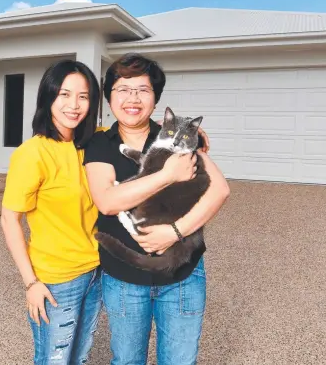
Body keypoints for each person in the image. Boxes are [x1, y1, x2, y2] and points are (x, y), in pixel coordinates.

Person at [83, 53, 230, 365]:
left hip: (183, 275)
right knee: (126, 360)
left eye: (143, 90)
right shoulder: (100, 144)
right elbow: (108, 202)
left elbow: (220, 189)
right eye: (123, 89)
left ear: (155, 98)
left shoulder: (179, 134)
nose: (133, 98)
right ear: (109, 96)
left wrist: (174, 232)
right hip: (124, 279)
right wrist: (167, 175)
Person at [0, 59, 103, 365]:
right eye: (64, 95)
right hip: (56, 280)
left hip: (96, 272)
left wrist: (192, 136)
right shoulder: (33, 153)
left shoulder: (94, 142)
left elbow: (137, 130)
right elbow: (9, 219)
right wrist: (31, 283)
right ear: (48, 97)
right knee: (54, 360)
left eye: (83, 96)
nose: (74, 105)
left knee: (80, 357)